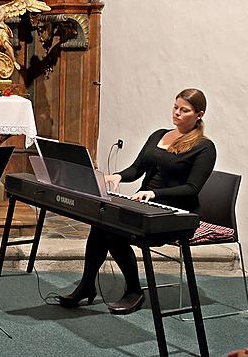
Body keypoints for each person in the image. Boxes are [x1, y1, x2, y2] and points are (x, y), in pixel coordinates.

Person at [58, 88, 216, 314]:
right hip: (146, 205)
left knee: (113, 230)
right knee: (101, 222)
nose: (177, 113)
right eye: (175, 107)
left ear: (199, 114)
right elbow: (136, 169)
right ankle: (86, 285)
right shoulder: (159, 135)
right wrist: (118, 176)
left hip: (177, 214)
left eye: (184, 110)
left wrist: (154, 194)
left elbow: (192, 189)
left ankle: (134, 290)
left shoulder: (204, 147)